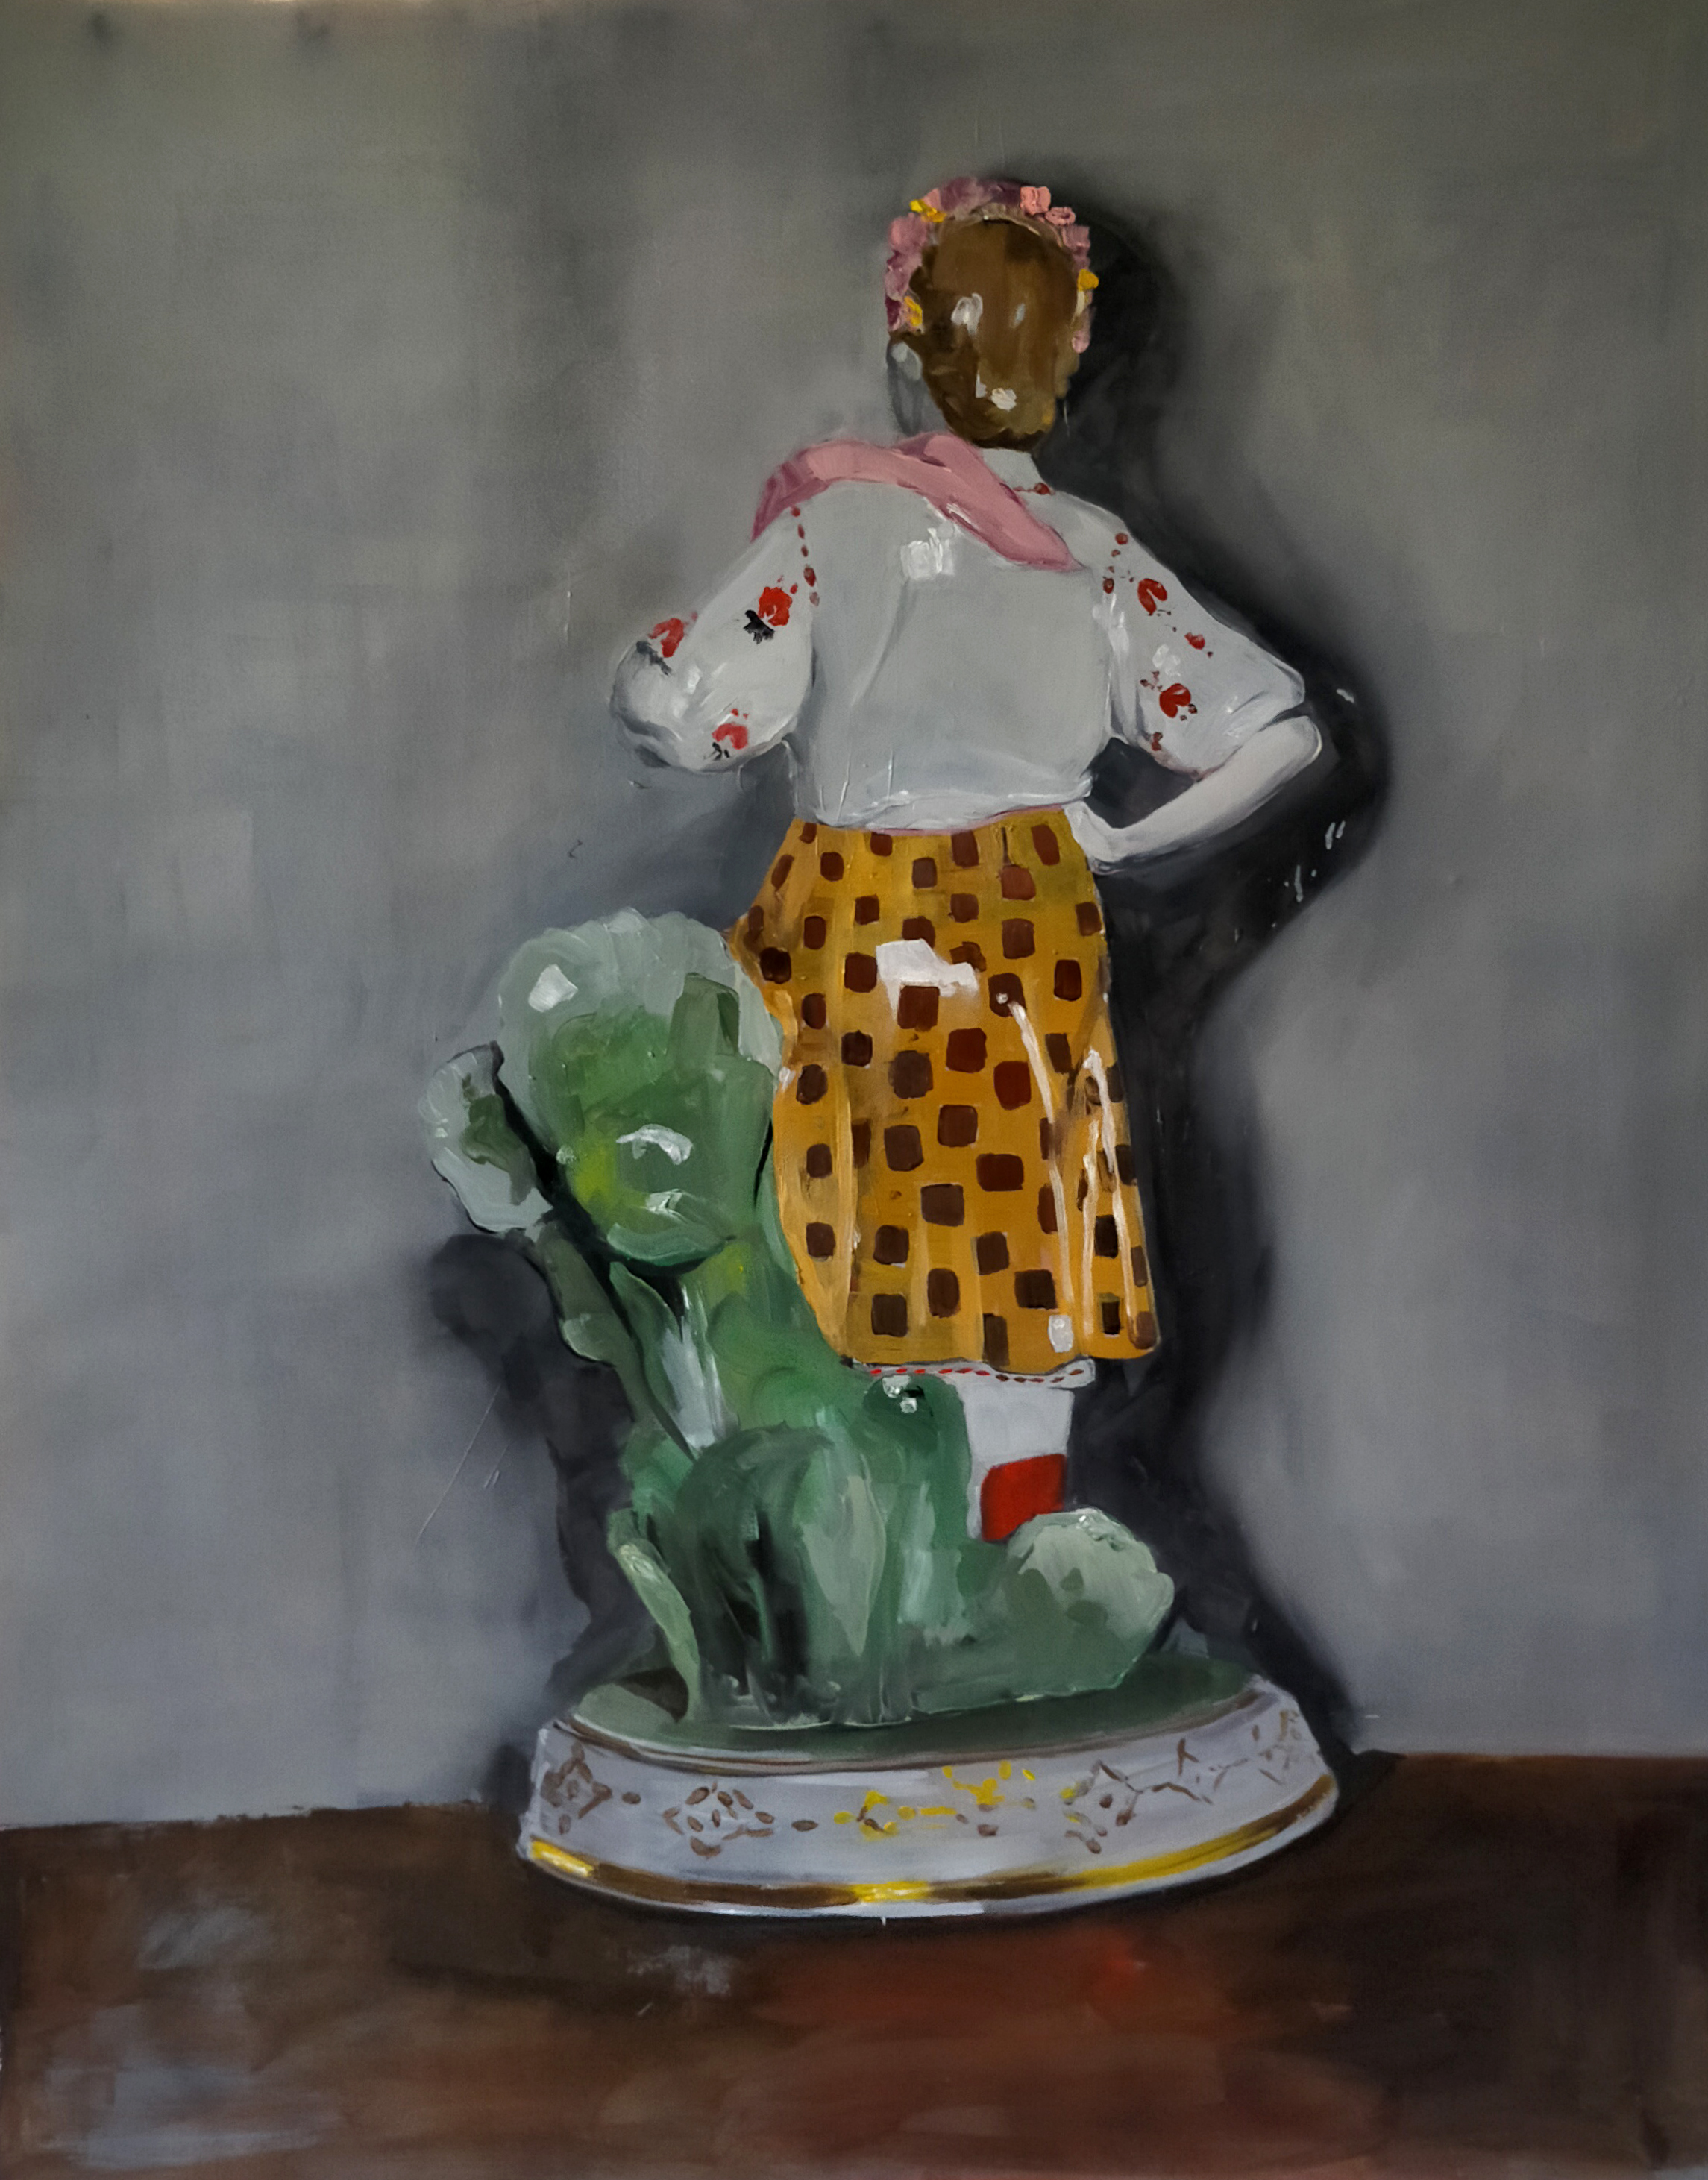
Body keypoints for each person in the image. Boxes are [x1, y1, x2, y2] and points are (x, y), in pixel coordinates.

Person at [612, 177, 1321, 1547]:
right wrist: (1122, 839)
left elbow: (690, 722)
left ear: (907, 356)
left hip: (847, 933)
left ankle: (848, 1580)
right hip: (1021, 931)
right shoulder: (1094, 557)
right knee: (1012, 1284)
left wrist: (648, 671)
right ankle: (1008, 1572)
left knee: (827, 1260)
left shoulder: (827, 528)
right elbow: (1277, 731)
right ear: (1068, 362)